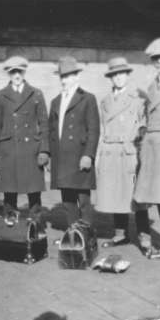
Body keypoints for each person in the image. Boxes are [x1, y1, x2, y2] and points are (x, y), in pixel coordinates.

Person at [95, 57, 160, 256]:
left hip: (130, 151)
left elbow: (146, 123)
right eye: (114, 74)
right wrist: (98, 155)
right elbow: (102, 129)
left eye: (122, 73)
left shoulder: (139, 97)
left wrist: (142, 142)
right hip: (110, 151)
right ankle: (120, 234)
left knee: (137, 198)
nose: (118, 78)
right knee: (116, 194)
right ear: (110, 78)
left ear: (127, 75)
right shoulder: (105, 101)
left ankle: (144, 238)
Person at [0, 56, 49, 214]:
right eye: (13, 72)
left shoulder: (36, 93)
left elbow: (44, 124)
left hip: (31, 149)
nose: (17, 76)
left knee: (33, 191)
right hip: (8, 150)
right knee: (9, 192)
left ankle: (35, 228)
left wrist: (44, 150)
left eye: (20, 72)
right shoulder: (1, 95)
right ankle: (10, 227)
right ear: (8, 74)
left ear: (24, 72)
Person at [49, 56, 100, 226]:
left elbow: (93, 130)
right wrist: (50, 156)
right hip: (62, 158)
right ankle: (72, 233)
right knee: (67, 199)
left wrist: (89, 155)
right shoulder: (56, 101)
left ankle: (85, 234)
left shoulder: (88, 98)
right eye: (62, 76)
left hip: (80, 156)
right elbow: (52, 131)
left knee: (83, 199)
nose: (65, 80)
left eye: (69, 76)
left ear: (77, 76)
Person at [134, 38, 160, 256]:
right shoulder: (152, 86)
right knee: (157, 195)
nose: (158, 62)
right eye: (155, 59)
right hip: (152, 146)